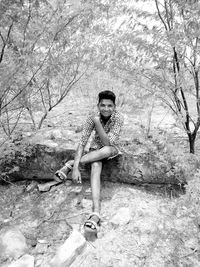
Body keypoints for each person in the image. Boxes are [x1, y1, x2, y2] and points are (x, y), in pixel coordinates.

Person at [54, 90, 124, 235]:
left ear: (114, 106)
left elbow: (107, 143)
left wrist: (97, 122)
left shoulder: (118, 117)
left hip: (111, 149)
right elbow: (82, 143)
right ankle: (95, 214)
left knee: (105, 151)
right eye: (102, 105)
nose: (106, 108)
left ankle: (71, 163)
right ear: (98, 105)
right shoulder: (91, 117)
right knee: (95, 166)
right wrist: (75, 171)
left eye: (109, 106)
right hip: (94, 151)